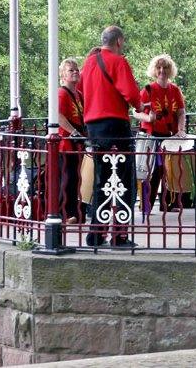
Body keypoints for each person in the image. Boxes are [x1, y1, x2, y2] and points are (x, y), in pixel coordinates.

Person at [79, 25, 143, 248]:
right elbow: (132, 93)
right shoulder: (118, 61)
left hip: (93, 127)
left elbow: (80, 90)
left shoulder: (88, 63)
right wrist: (140, 105)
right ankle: (119, 235)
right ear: (119, 42)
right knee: (124, 180)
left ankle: (96, 234)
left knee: (102, 179)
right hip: (115, 125)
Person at [132, 54, 186, 214]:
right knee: (148, 171)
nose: (162, 70)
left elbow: (181, 113)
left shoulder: (175, 90)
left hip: (169, 135)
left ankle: (168, 204)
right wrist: (148, 117)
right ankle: (146, 205)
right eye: (159, 67)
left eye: (165, 67)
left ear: (170, 70)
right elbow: (135, 112)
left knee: (168, 171)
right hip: (150, 135)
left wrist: (181, 130)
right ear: (155, 70)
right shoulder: (148, 89)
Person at [57, 58, 86, 224]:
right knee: (66, 180)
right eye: (71, 70)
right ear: (63, 75)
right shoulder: (61, 93)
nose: (75, 72)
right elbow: (59, 116)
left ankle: (74, 213)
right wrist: (74, 132)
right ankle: (62, 215)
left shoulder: (79, 94)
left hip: (75, 145)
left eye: (76, 69)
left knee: (75, 179)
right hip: (65, 144)